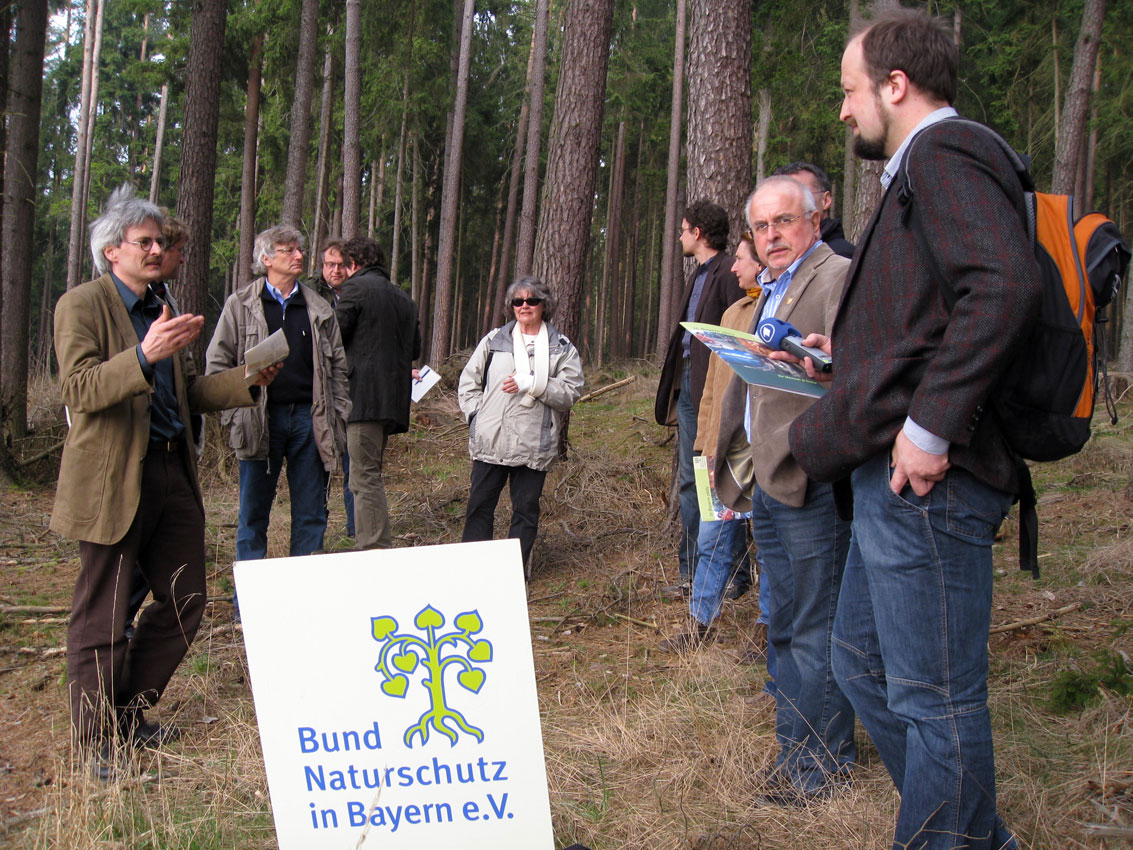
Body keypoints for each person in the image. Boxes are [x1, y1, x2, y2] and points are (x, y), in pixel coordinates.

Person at [789, 9, 1041, 848]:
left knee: (935, 700)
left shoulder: (945, 150)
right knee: (861, 670)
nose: (842, 111)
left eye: (849, 91)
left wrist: (929, 429)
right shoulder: (918, 169)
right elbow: (934, 312)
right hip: (894, 478)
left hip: (925, 478)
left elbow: (1000, 286)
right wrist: (843, 358)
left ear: (895, 85)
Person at [51, 186, 275, 778]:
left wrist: (248, 380)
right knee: (103, 614)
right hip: (112, 481)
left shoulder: (160, 305)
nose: (157, 250)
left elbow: (188, 394)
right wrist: (142, 356)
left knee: (186, 600)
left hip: (172, 472)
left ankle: (128, 714)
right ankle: (97, 740)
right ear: (110, 251)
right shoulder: (82, 305)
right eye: (144, 242)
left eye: (159, 242)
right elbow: (76, 390)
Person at [714, 176, 854, 802]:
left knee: (813, 623)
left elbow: (861, 368)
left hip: (812, 476)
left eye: (785, 222)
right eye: (762, 226)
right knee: (785, 622)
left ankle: (820, 768)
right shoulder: (769, 289)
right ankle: (795, 750)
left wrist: (827, 365)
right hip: (768, 477)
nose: (772, 236)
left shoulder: (837, 275)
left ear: (815, 221)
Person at [206, 225, 351, 568]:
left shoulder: (318, 308)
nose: (299, 255)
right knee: (253, 514)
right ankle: (251, 603)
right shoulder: (241, 304)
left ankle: (301, 598)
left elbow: (339, 370)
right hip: (258, 418)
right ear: (266, 259)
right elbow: (217, 365)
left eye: (300, 249)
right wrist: (236, 410)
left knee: (311, 514)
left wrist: (339, 415)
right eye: (289, 250)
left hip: (310, 420)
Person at [659, 229, 759, 652]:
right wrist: (704, 440)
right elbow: (714, 387)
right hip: (723, 447)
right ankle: (699, 624)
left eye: (741, 259)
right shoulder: (733, 312)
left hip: (764, 448)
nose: (734, 267)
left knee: (770, 544)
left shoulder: (772, 312)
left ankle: (769, 632)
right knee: (712, 535)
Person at [458, 277, 584, 573]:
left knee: (525, 512)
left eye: (531, 301)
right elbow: (468, 382)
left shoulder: (561, 347)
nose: (524, 306)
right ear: (511, 307)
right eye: (518, 301)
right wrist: (477, 417)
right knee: (479, 508)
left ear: (544, 306)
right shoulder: (493, 341)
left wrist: (535, 384)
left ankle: (512, 576)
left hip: (533, 445)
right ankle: (472, 571)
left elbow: (570, 392)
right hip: (491, 441)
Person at [654, 201, 745, 596]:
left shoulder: (729, 272)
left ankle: (727, 574)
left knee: (716, 478)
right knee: (693, 479)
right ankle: (693, 571)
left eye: (684, 228)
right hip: (691, 384)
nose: (680, 236)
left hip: (716, 389)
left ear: (699, 233)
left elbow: (736, 335)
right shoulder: (699, 275)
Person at [335, 236, 421, 550]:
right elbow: (415, 348)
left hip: (363, 398)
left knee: (363, 476)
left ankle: (373, 548)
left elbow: (334, 338)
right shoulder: (404, 299)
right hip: (393, 401)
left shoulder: (355, 289)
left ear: (353, 264)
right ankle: (373, 543)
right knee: (369, 471)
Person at [316, 238, 355, 537]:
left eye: (341, 265)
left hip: (354, 387)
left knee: (353, 462)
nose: (336, 270)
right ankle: (317, 522)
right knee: (320, 463)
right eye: (330, 265)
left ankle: (355, 527)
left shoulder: (359, 293)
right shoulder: (310, 294)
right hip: (321, 389)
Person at [772, 162, 855, 258]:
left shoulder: (841, 257)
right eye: (782, 198)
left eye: (799, 195)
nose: (788, 204)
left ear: (826, 200)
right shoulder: (781, 256)